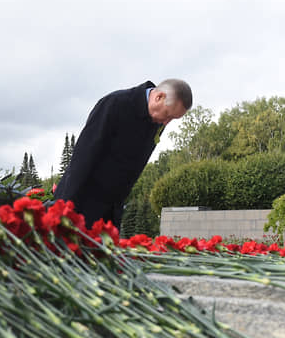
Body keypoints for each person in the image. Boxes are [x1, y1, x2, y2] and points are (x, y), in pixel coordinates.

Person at [54, 78, 192, 228]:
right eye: (168, 115)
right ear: (158, 97)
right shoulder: (116, 104)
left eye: (173, 119)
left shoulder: (156, 121)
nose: (166, 123)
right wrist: (66, 208)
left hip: (111, 211)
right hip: (80, 205)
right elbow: (83, 156)